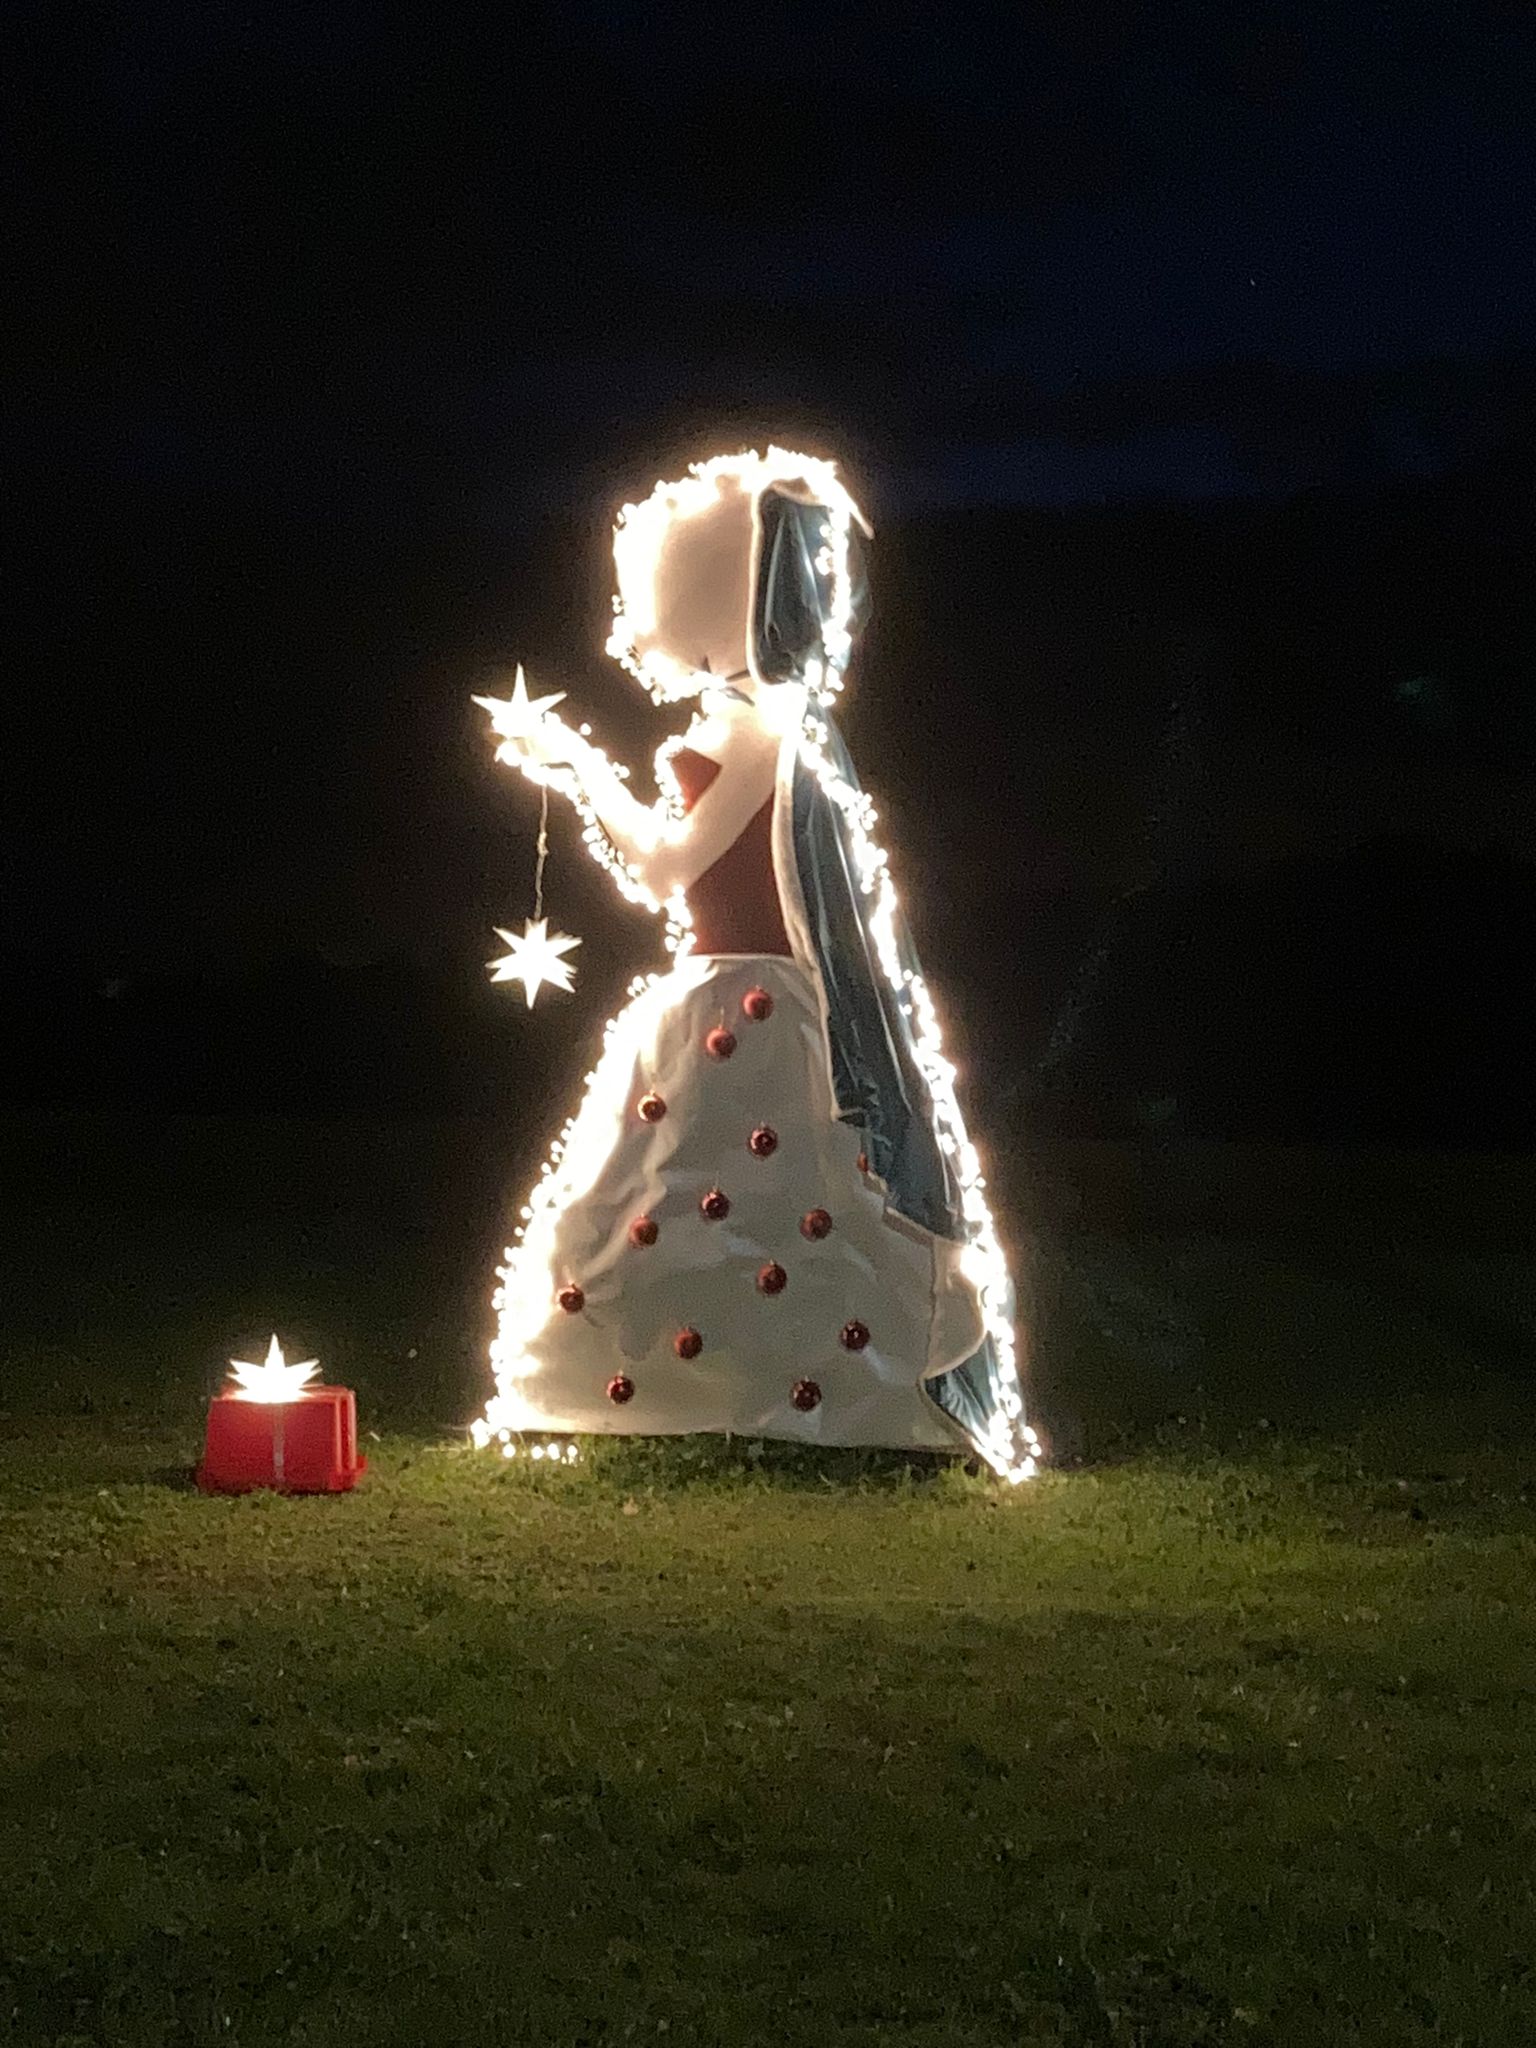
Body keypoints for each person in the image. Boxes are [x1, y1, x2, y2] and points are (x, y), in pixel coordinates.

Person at [473, 450, 1038, 1478]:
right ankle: (739, 1385)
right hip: (735, 992)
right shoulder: (762, 728)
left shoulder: (759, 733)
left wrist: (580, 771)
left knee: (717, 1189)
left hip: (751, 997)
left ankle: (753, 1387)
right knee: (702, 1197)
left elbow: (663, 868)